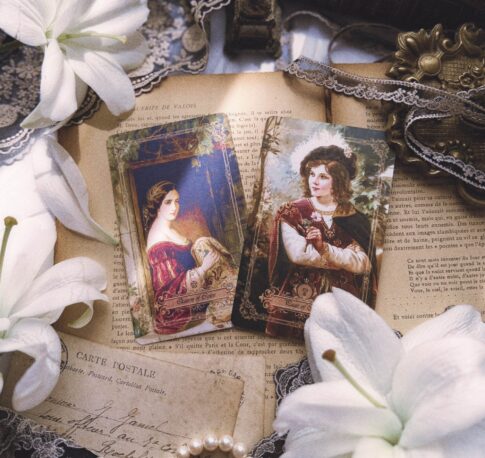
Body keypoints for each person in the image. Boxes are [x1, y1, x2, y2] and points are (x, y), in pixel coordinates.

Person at [266, 145, 375, 338]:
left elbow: (363, 263)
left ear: (338, 180)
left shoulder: (354, 218)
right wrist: (342, 258)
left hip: (343, 298)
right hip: (301, 295)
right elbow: (298, 254)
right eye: (312, 174)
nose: (314, 181)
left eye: (323, 176)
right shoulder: (292, 212)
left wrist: (323, 248)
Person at [143, 181, 220, 334]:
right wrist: (204, 267)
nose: (174, 207)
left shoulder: (166, 227)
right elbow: (169, 289)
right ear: (158, 206)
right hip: (177, 311)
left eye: (177, 201)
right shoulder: (158, 242)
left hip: (196, 293)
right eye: (168, 202)